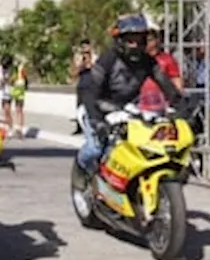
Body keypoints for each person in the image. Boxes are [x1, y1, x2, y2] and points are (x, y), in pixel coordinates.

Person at [74, 14, 187, 178]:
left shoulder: (149, 61)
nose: (135, 45)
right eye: (130, 40)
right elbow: (91, 91)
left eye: (140, 40)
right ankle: (80, 169)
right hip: (97, 108)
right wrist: (96, 120)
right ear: (120, 40)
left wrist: (183, 109)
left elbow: (167, 86)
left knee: (143, 146)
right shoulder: (107, 59)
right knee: (95, 149)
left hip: (126, 110)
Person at [70, 38, 96, 134]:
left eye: (86, 46)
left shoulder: (94, 56)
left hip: (92, 84)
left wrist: (91, 62)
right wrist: (82, 64)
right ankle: (79, 127)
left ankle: (92, 126)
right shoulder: (78, 57)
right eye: (83, 47)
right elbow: (74, 73)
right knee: (79, 106)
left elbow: (98, 68)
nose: (85, 49)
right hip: (82, 84)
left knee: (91, 106)